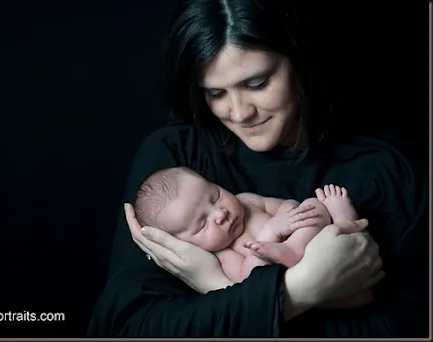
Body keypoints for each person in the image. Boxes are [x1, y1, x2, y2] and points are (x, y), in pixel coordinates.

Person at [88, 0, 428, 337]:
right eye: (216, 93)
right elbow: (127, 328)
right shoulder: (175, 158)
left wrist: (218, 290)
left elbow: (408, 327)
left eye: (257, 84)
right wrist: (298, 291)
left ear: (298, 61)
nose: (239, 114)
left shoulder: (383, 168)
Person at [133, 166, 360, 284]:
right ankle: (337, 233)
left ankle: (345, 223)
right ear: (184, 244)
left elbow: (288, 205)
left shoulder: (245, 201)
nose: (220, 213)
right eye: (202, 224)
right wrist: (271, 233)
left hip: (317, 241)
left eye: (215, 196)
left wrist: (287, 212)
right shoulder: (222, 255)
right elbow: (248, 278)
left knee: (310, 204)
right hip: (307, 274)